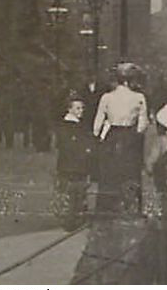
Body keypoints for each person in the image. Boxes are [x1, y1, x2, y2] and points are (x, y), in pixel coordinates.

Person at [92, 63, 149, 214]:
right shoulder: (139, 97)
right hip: (130, 135)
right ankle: (131, 207)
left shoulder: (107, 97)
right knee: (131, 171)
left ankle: (107, 208)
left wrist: (98, 135)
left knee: (109, 172)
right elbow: (143, 123)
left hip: (112, 135)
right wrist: (136, 133)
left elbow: (98, 121)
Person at [54, 96, 94, 230]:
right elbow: (65, 144)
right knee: (72, 191)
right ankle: (71, 218)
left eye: (82, 108)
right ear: (69, 109)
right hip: (71, 163)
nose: (81, 110)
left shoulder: (80, 124)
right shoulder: (66, 126)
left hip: (76, 163)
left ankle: (75, 216)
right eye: (77, 108)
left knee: (77, 191)